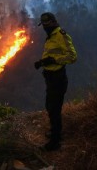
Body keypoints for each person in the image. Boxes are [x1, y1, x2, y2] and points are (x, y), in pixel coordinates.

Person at [34, 12, 77, 151]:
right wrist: (42, 62)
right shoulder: (50, 37)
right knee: (49, 106)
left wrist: (54, 60)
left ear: (53, 22)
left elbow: (72, 56)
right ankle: (54, 132)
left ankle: (55, 142)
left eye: (47, 24)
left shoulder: (61, 35)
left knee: (54, 109)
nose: (45, 27)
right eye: (43, 25)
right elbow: (52, 54)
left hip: (58, 78)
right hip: (50, 77)